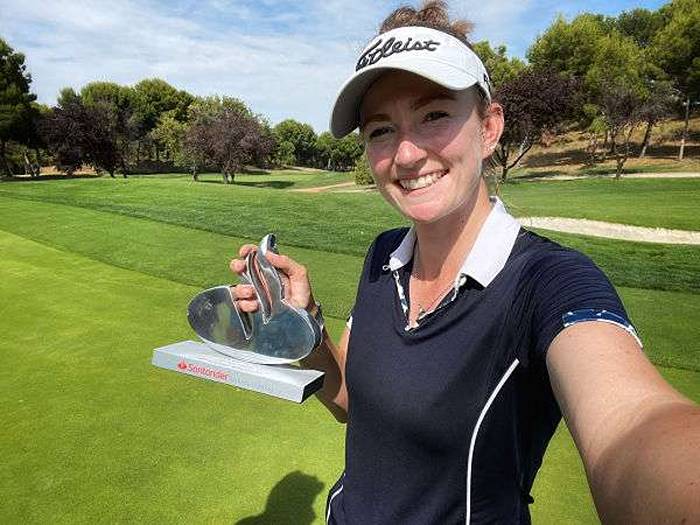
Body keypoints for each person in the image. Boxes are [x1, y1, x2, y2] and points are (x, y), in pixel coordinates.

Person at [230, 2, 700, 523]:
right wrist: (306, 328)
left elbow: (637, 423)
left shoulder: (550, 282)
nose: (405, 154)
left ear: (489, 127)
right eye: (381, 130)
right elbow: (352, 405)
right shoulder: (384, 255)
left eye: (433, 116)